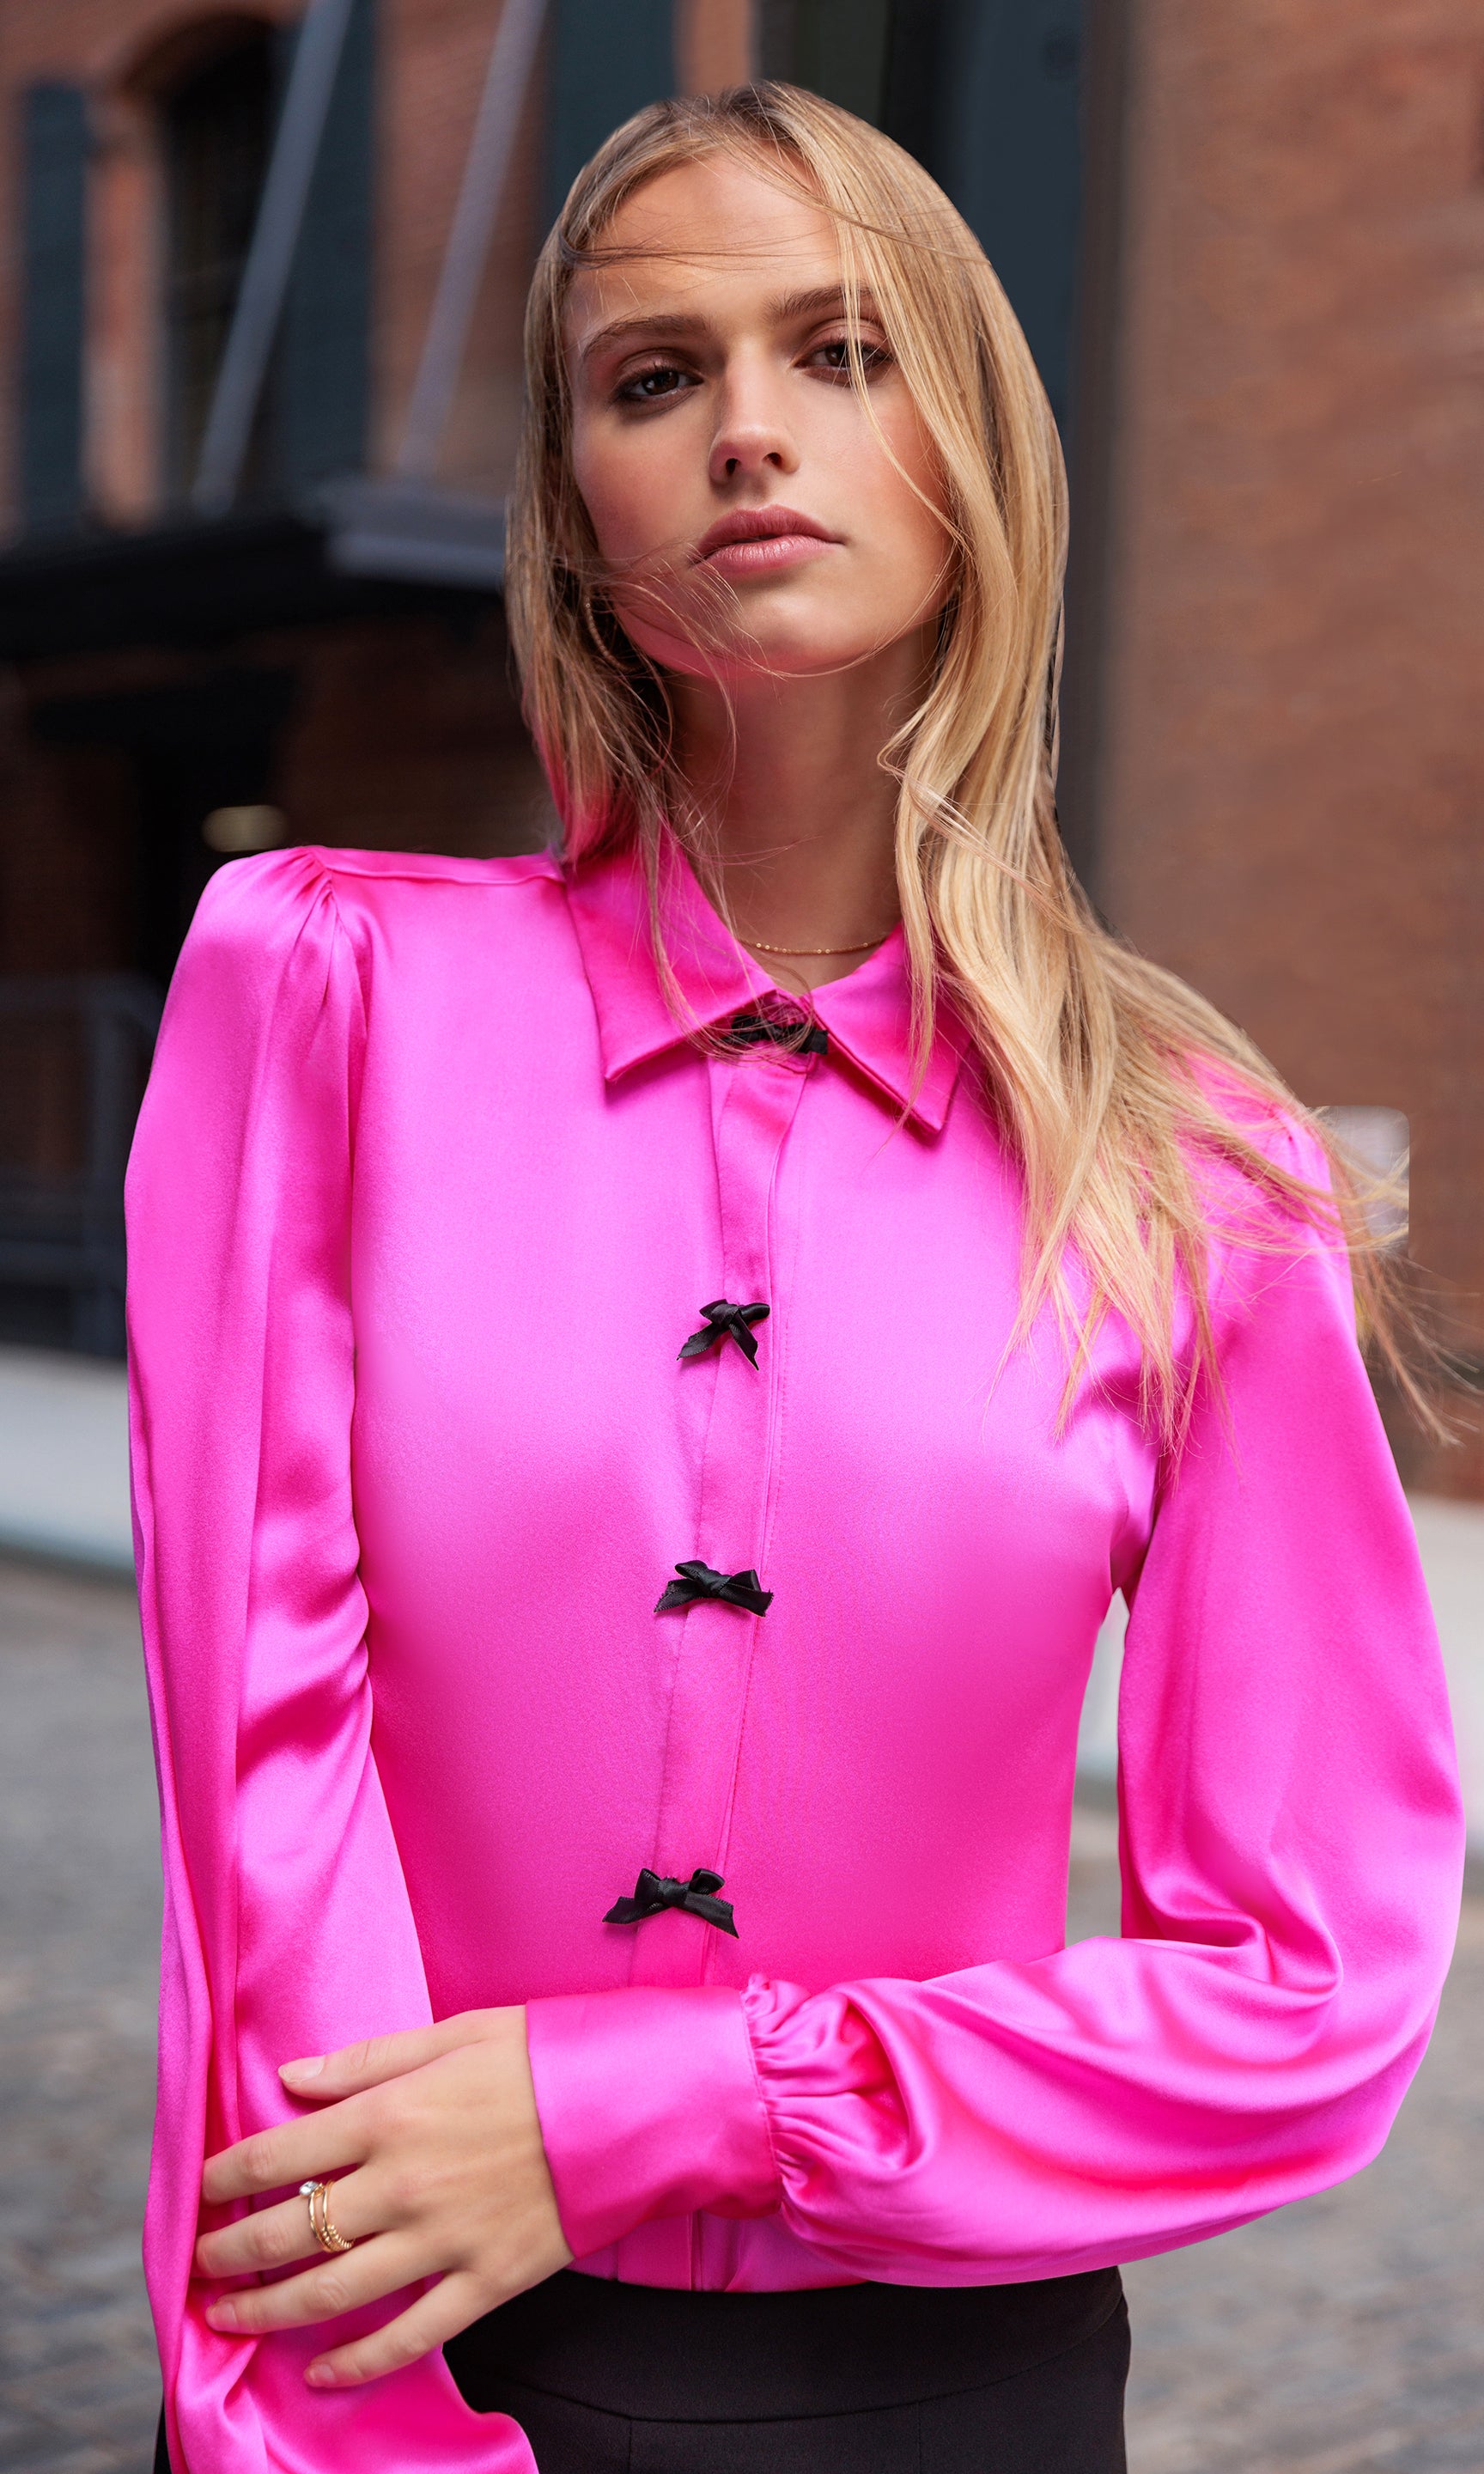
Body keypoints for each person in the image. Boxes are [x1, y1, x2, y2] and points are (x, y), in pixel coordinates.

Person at [129, 82, 1463, 2474]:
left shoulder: (1191, 1176)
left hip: (951, 2391)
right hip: (393, 2334)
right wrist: (329, 2416)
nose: (754, 430)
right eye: (656, 378)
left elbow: (1313, 1984)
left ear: (973, 449)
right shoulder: (326, 1001)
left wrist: (668, 2100)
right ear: (578, 507)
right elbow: (263, 1794)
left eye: (844, 350)